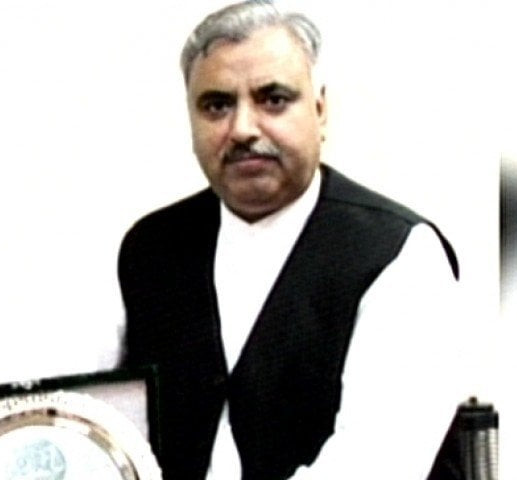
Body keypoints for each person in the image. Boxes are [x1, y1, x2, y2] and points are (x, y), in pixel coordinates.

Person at [118, 1, 470, 479]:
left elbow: (373, 463)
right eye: (217, 105)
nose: (243, 129)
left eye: (273, 99)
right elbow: (79, 417)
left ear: (320, 112)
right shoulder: (148, 250)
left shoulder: (401, 253)